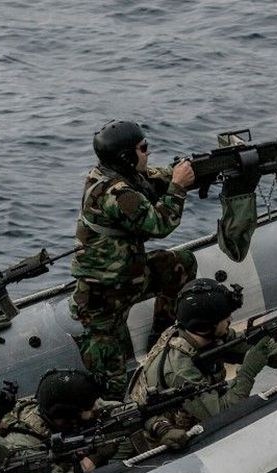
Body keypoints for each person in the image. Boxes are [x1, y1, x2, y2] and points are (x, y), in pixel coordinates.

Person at [70, 120, 198, 398]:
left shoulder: (120, 174)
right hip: (103, 296)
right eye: (143, 148)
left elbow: (155, 176)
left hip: (130, 277)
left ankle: (162, 338)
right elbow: (160, 224)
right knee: (114, 384)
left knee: (181, 264)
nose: (148, 152)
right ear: (128, 157)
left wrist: (187, 171)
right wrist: (178, 187)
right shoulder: (116, 194)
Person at [126, 278, 277, 450]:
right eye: (225, 318)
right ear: (205, 324)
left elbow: (249, 347)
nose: (230, 320)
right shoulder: (178, 370)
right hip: (165, 440)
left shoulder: (201, 335)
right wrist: (247, 372)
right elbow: (224, 414)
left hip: (196, 410)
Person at [0, 368, 113, 473]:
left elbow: (116, 409)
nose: (95, 406)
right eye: (89, 406)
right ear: (69, 414)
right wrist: (93, 460)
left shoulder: (77, 406)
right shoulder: (26, 441)